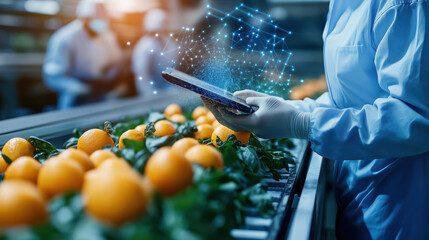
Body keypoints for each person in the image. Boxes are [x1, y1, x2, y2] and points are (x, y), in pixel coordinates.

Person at [203, 1, 429, 239]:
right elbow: (350, 98)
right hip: (359, 186)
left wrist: (303, 123)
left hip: (401, 198)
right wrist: (292, 109)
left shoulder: (403, 5)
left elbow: (416, 117)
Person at [43, 0, 127, 109]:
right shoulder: (65, 38)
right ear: (84, 18)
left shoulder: (108, 36)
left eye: (103, 19)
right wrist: (81, 88)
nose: (100, 23)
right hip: (75, 102)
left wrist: (112, 82)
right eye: (96, 19)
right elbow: (54, 77)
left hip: (104, 99)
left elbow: (116, 62)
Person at [132, 8, 176, 96]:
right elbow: (142, 76)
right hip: (152, 93)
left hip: (170, 90)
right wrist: (149, 96)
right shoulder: (144, 46)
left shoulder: (168, 41)